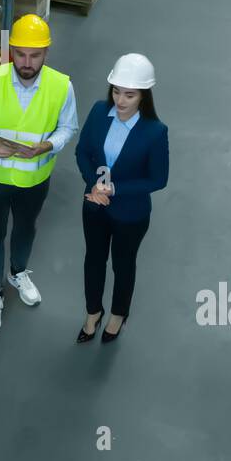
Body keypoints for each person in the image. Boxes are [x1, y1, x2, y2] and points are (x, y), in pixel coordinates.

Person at [0, 14, 78, 333]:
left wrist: (47, 146)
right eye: (20, 53)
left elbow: (68, 126)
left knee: (26, 229)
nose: (27, 62)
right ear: (11, 50)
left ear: (47, 54)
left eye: (35, 55)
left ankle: (18, 272)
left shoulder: (61, 86)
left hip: (34, 181)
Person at [73, 54, 169, 343]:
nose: (121, 100)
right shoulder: (98, 112)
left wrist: (114, 190)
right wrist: (95, 186)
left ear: (144, 95)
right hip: (94, 205)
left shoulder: (155, 131)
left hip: (131, 214)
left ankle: (118, 314)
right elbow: (82, 152)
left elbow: (157, 179)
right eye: (116, 91)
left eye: (130, 94)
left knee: (123, 264)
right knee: (94, 259)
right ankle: (93, 313)